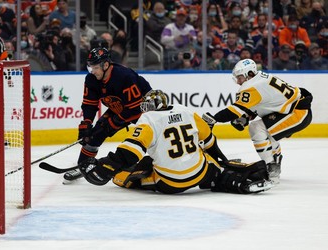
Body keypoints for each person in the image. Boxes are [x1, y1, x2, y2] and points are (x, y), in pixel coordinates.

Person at [77, 89, 274, 194]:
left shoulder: (148, 119)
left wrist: (103, 165)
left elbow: (129, 154)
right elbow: (209, 141)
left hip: (170, 184)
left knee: (134, 173)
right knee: (213, 167)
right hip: (199, 173)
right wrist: (222, 160)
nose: (145, 109)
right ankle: (238, 181)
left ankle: (121, 179)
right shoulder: (186, 110)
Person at [202, 59, 313, 183]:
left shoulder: (251, 86)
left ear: (249, 74)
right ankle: (273, 166)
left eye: (239, 77)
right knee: (267, 134)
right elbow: (262, 103)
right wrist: (246, 116)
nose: (238, 82)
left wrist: (214, 118)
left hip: (296, 114)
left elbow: (235, 110)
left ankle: (271, 167)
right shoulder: (261, 78)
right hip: (296, 111)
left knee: (256, 128)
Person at [63, 47, 152, 184]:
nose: (92, 71)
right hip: (119, 107)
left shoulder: (124, 77)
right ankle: (84, 165)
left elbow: (135, 109)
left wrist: (113, 123)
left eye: (95, 67)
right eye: (90, 67)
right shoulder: (91, 79)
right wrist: (86, 123)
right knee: (95, 133)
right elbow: (90, 103)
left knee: (149, 137)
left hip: (144, 109)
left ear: (106, 65)